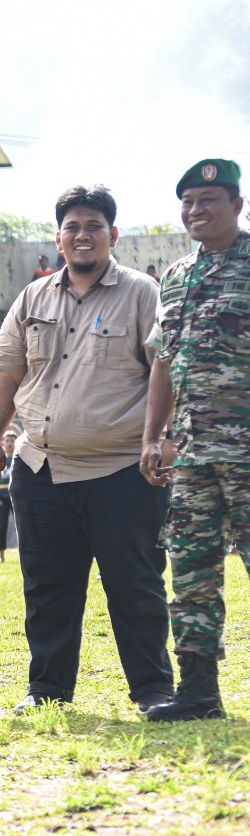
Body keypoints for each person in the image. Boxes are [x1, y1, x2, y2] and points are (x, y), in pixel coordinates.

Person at [0, 184, 173, 715]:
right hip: (40, 467)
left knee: (135, 584)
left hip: (122, 472)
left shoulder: (141, 294)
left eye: (93, 226)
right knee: (48, 589)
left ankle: (154, 690)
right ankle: (46, 691)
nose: (82, 235)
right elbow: (7, 374)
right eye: (72, 227)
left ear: (113, 234)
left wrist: (161, 437)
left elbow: (165, 370)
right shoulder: (32, 296)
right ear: (59, 239)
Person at [139, 159, 250, 721]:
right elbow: (164, 359)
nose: (195, 210)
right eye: (187, 201)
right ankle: (199, 692)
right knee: (190, 571)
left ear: (237, 203)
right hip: (191, 453)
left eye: (208, 199)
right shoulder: (178, 274)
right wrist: (153, 435)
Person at [0, 428, 18, 562]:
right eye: (7, 441)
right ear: (2, 443)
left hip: (16, 497)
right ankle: (1, 555)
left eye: (12, 441)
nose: (9, 443)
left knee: (20, 525)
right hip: (2, 498)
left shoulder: (18, 459)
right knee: (2, 526)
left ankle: (23, 552)